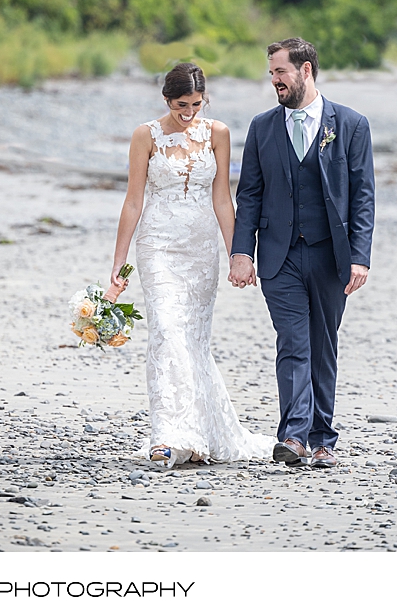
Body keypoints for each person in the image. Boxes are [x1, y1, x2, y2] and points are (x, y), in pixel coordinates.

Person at [109, 62, 274, 468]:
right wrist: (118, 265)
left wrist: (240, 253)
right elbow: (133, 201)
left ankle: (200, 432)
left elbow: (222, 199)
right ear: (166, 99)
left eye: (197, 104)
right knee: (165, 331)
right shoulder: (144, 136)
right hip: (159, 245)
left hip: (200, 248)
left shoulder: (218, 133)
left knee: (193, 340)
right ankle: (167, 436)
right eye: (182, 104)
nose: (190, 112)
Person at [229, 38, 375, 469]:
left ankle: (323, 438)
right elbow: (250, 193)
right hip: (278, 257)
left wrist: (360, 256)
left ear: (305, 71)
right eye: (271, 72)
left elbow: (363, 196)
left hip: (332, 255)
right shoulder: (262, 127)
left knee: (322, 344)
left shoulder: (349, 124)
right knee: (293, 341)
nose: (273, 80)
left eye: (280, 72)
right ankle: (293, 437)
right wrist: (242, 251)